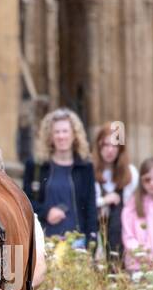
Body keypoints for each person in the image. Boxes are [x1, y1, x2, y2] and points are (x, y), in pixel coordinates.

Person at [23, 107, 98, 249]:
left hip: (77, 244)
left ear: (74, 135)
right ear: (50, 136)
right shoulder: (36, 166)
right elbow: (25, 201)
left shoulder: (85, 167)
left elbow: (90, 207)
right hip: (45, 243)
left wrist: (92, 243)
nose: (61, 136)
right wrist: (46, 212)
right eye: (56, 132)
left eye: (65, 131)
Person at [92, 122, 137, 266]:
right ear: (99, 146)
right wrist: (104, 200)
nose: (110, 150)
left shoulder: (130, 174)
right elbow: (83, 204)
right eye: (105, 145)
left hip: (120, 239)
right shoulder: (89, 172)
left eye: (114, 146)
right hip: (95, 239)